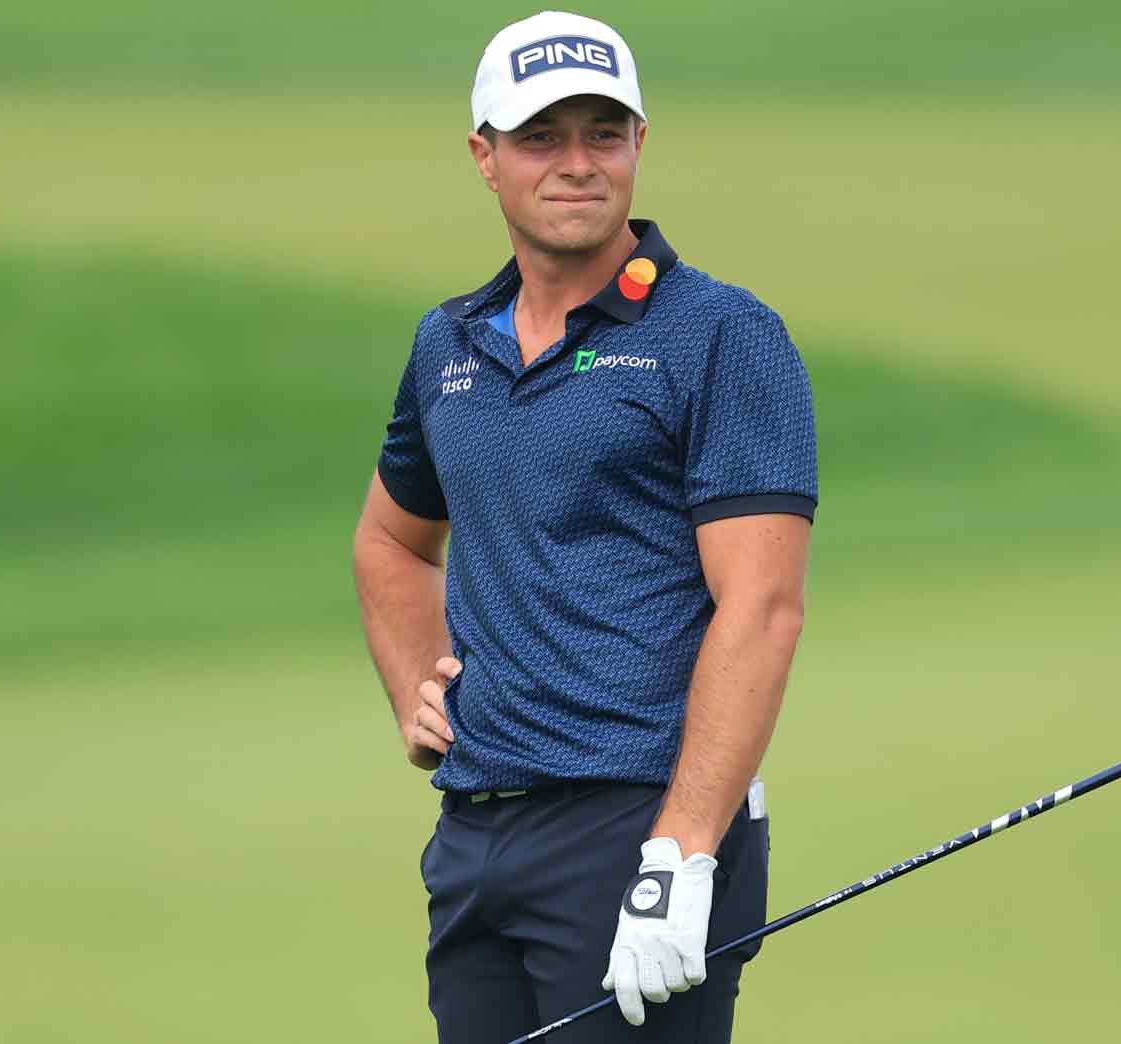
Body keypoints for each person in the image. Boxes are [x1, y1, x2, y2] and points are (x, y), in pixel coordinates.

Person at [352, 11, 816, 1042]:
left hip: (634, 828)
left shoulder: (718, 336)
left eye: (602, 134)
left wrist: (682, 852)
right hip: (475, 838)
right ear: (484, 156)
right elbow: (389, 541)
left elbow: (764, 605)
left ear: (638, 145)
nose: (576, 164)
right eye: (539, 137)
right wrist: (414, 688)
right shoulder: (449, 346)